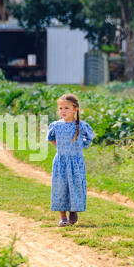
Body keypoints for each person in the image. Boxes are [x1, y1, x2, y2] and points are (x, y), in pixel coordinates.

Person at [47, 93, 94, 227]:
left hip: (76, 162)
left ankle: (73, 211)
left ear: (75, 109)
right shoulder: (56, 125)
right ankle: (62, 217)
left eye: (66, 108)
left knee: (75, 186)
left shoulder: (81, 126)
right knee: (60, 187)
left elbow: (89, 138)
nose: (63, 111)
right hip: (60, 161)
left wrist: (80, 146)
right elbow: (51, 138)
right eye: (61, 108)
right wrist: (61, 149)